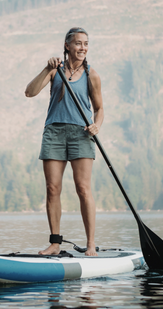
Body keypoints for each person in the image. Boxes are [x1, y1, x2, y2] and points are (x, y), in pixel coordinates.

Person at [24, 27, 104, 256]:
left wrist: (97, 125)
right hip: (54, 133)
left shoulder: (92, 75)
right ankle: (55, 243)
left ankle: (90, 245)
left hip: (82, 134)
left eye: (86, 44)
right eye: (78, 43)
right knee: (52, 188)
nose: (83, 48)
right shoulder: (55, 70)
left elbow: (99, 109)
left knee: (83, 188)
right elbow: (29, 92)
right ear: (67, 46)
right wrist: (47, 68)